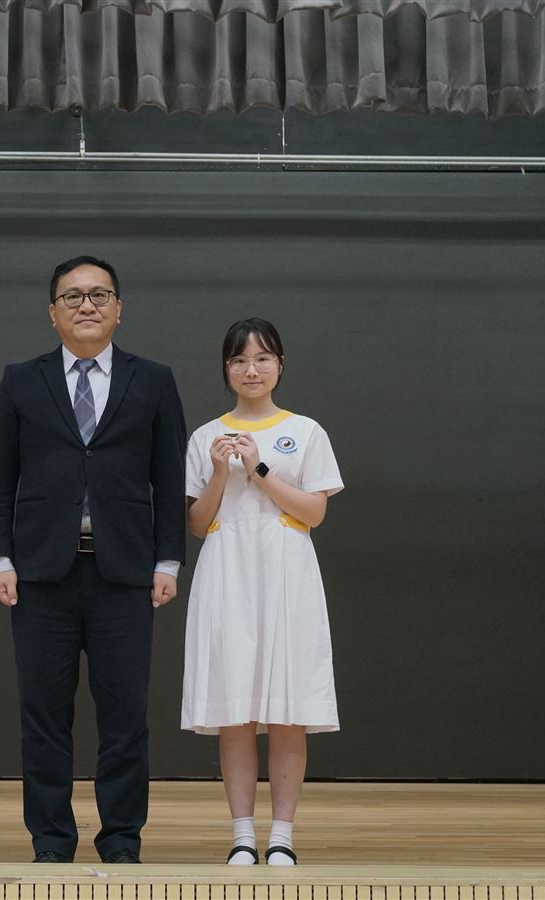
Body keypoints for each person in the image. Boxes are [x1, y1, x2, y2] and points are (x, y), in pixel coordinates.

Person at [0, 256, 187, 864]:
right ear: (53, 313)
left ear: (119, 308)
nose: (87, 305)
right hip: (40, 574)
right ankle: (51, 841)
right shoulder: (21, 380)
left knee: (125, 716)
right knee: (43, 715)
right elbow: (0, 481)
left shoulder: (153, 380)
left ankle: (121, 840)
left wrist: (169, 562)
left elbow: (169, 477)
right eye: (72, 297)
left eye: (99, 294)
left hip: (125, 573)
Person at [180, 318, 344, 867]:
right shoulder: (206, 435)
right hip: (227, 571)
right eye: (240, 361)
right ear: (226, 369)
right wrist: (220, 473)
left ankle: (283, 836)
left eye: (262, 359)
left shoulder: (306, 430)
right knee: (237, 710)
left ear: (280, 365)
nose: (251, 370)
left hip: (286, 572)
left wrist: (260, 467)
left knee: (287, 710)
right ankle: (243, 835)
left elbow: (314, 512)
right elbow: (198, 523)